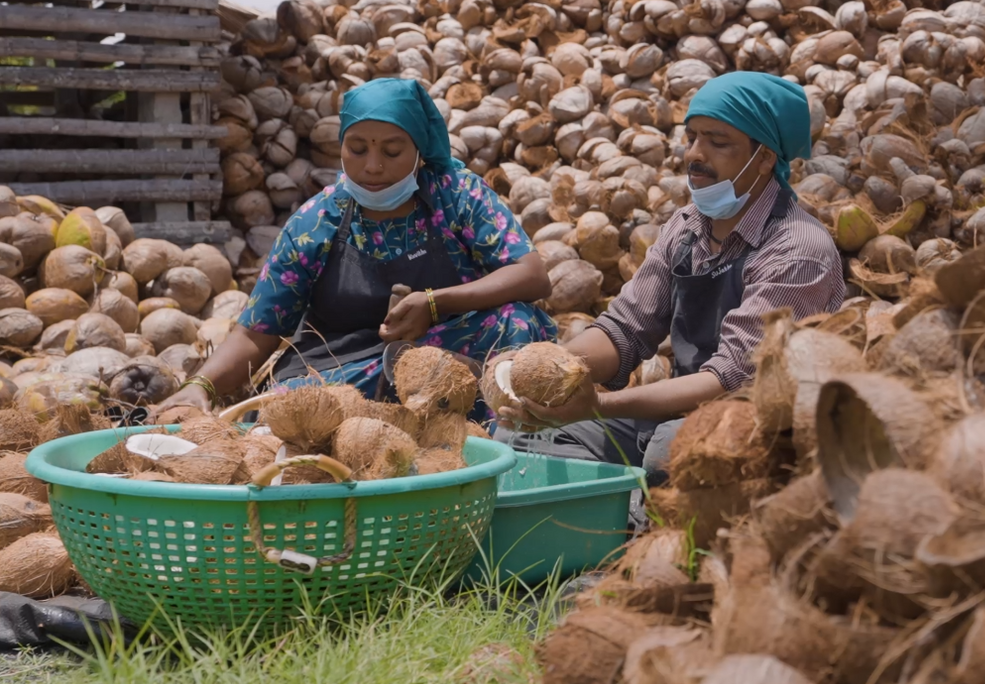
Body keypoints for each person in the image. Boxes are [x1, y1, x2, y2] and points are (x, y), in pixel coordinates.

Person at [494, 71, 844, 483]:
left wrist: (600, 407)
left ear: (765, 158)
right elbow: (625, 329)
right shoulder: (687, 226)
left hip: (760, 423)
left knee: (665, 451)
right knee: (522, 433)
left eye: (718, 142)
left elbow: (731, 379)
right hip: (679, 411)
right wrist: (551, 369)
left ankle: (643, 518)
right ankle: (617, 519)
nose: (695, 154)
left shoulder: (799, 248)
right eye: (693, 136)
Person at [154, 78, 555, 418]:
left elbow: (531, 275)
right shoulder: (315, 223)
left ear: (418, 150)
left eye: (393, 151)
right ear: (341, 147)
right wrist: (201, 385)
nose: (374, 166)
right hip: (351, 368)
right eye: (358, 149)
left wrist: (435, 304)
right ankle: (418, 403)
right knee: (289, 406)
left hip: (448, 343)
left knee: (516, 322)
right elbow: (259, 330)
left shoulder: (454, 192)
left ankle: (501, 433)